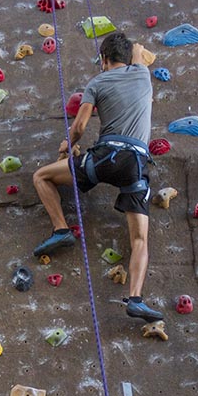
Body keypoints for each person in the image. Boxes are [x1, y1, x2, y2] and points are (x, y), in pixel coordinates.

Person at [32, 31, 163, 323]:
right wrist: (135, 51)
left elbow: (79, 126)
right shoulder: (142, 75)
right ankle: (136, 299)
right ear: (128, 58)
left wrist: (67, 144)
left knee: (41, 176)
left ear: (103, 59)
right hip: (135, 163)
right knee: (140, 238)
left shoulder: (97, 82)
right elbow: (139, 49)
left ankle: (61, 230)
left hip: (104, 158)